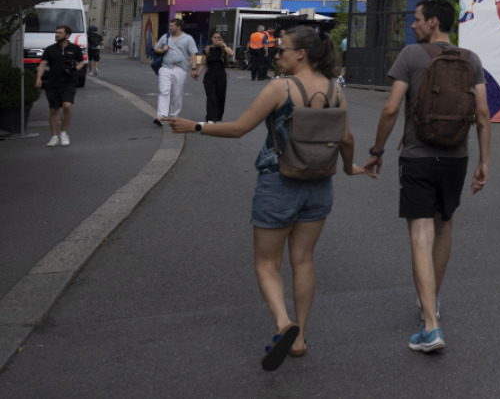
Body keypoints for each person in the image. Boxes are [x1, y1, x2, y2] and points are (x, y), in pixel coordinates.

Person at [169, 26, 362, 370]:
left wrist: (195, 126)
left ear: (301, 53)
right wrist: (349, 168)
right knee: (303, 260)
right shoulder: (336, 90)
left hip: (278, 182)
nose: (276, 55)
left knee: (266, 264)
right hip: (319, 184)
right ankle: (299, 339)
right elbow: (346, 138)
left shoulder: (280, 87)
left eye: (282, 49)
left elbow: (239, 128)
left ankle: (283, 324)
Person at [361, 0, 490, 354]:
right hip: (457, 156)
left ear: (433, 22)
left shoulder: (411, 55)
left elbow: (391, 108)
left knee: (421, 233)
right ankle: (429, 303)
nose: (413, 25)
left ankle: (431, 325)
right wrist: (485, 161)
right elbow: (482, 112)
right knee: (444, 224)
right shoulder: (472, 59)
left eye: (418, 19)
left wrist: (376, 151)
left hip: (418, 156)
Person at [35, 24, 85, 147]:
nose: (56, 35)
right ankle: (54, 136)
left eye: (60, 33)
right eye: (56, 32)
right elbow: (43, 64)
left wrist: (74, 69)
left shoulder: (75, 48)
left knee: (67, 106)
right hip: (53, 83)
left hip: (69, 82)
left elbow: (81, 62)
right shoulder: (50, 49)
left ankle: (64, 133)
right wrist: (38, 78)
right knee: (53, 110)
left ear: (67, 35)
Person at [153, 19, 197, 126]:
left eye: (172, 26)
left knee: (177, 94)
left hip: (180, 68)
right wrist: (163, 50)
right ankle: (162, 116)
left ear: (178, 27)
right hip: (165, 67)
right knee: (164, 91)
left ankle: (174, 116)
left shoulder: (188, 39)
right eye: (170, 26)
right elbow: (155, 49)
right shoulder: (165, 37)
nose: (170, 27)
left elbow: (193, 54)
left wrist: (194, 68)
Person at [198, 31, 235, 123]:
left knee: (220, 96)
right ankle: (211, 118)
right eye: (214, 37)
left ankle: (217, 117)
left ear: (221, 39)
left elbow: (231, 54)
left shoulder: (224, 48)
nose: (216, 39)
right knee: (211, 97)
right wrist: (197, 74)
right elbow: (203, 64)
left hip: (221, 75)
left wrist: (223, 45)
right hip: (209, 75)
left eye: (218, 38)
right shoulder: (207, 49)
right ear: (211, 39)